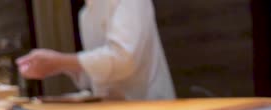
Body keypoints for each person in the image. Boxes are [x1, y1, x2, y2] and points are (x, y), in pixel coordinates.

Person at [16, 0, 176, 100]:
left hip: (150, 105)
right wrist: (55, 66)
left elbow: (125, 59)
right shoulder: (85, 14)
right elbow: (95, 74)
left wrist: (59, 61)